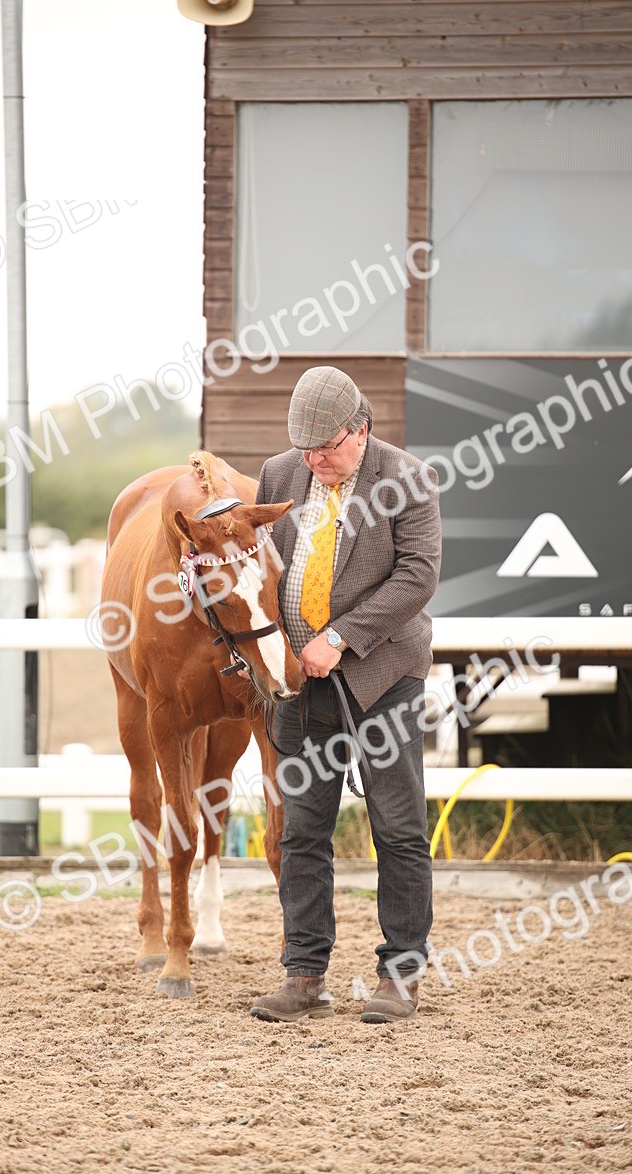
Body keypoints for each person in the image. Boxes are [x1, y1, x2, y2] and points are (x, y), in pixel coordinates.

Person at [249, 365, 442, 1024]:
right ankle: (305, 976)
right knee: (301, 830)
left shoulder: (406, 479)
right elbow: (262, 564)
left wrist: (341, 636)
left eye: (327, 448)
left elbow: (418, 576)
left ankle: (401, 976)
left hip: (383, 676)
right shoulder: (280, 475)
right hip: (303, 686)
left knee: (397, 827)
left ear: (360, 430)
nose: (314, 461)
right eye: (305, 449)